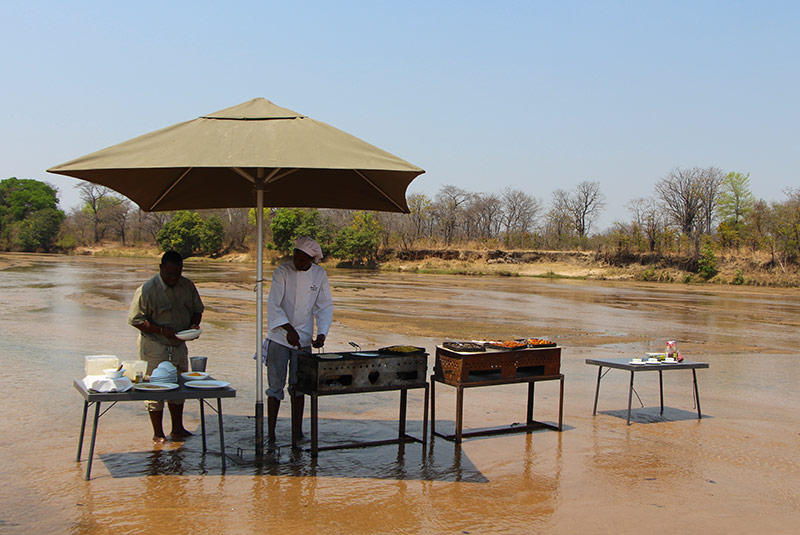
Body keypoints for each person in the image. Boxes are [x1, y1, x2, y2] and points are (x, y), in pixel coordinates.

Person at [128, 250, 204, 444]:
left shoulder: (187, 286)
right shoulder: (147, 289)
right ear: (161, 268)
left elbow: (197, 310)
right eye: (169, 274)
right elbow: (135, 320)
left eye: (177, 274)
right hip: (155, 343)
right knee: (155, 387)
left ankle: (177, 428)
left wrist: (194, 326)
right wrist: (161, 330)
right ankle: (158, 433)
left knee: (179, 384)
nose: (173, 278)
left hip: (178, 342)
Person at [263, 236, 333, 446]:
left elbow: (324, 305)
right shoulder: (282, 272)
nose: (298, 263)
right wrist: (288, 328)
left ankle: (297, 433)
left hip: (303, 338)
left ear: (312, 259)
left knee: (299, 387)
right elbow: (273, 304)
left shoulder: (319, 275)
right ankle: (271, 433)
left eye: (303, 260)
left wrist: (322, 333)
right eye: (295, 258)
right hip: (279, 336)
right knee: (275, 387)